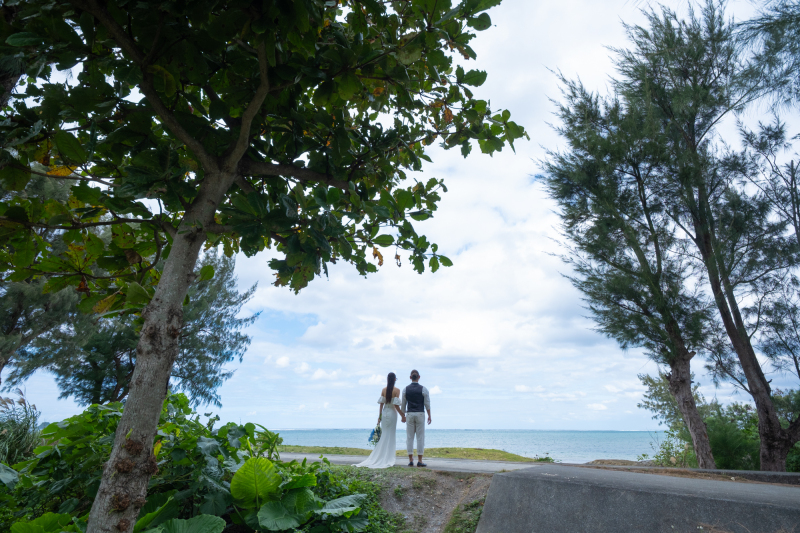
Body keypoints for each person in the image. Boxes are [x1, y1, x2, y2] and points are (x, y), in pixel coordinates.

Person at [354, 372, 406, 469]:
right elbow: (396, 406)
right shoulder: (397, 390)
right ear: (395, 379)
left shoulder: (383, 390)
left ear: (387, 379)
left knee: (384, 434)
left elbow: (381, 405)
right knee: (391, 435)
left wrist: (380, 417)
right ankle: (388, 457)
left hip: (385, 412)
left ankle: (381, 456)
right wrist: (402, 415)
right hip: (392, 414)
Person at [401, 369, 431, 467]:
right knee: (420, 437)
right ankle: (420, 460)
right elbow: (427, 404)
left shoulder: (405, 389)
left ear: (410, 377)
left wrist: (402, 416)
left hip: (409, 414)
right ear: (419, 377)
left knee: (409, 437)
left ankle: (410, 460)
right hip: (420, 414)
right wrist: (429, 415)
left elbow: (403, 404)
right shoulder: (424, 389)